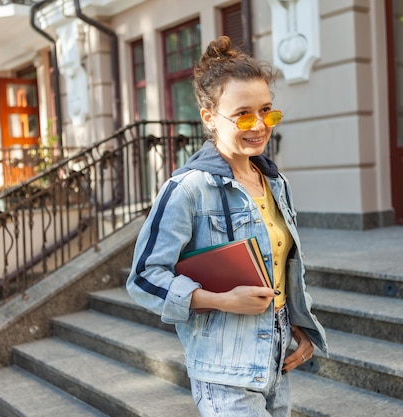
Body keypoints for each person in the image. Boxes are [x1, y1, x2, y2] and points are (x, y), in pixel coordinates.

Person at [126, 36, 327, 417]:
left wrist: (300, 324)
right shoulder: (187, 189)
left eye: (267, 111)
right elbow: (144, 277)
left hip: (277, 351)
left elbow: (284, 266)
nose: (259, 125)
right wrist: (218, 299)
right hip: (223, 363)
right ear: (208, 117)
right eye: (244, 114)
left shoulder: (275, 183)